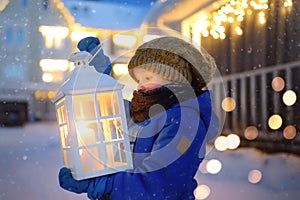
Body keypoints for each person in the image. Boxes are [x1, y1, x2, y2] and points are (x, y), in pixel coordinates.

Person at [58, 36, 220, 199]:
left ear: (174, 78)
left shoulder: (183, 122)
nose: (140, 85)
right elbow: (107, 113)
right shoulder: (142, 113)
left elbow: (160, 183)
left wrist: (103, 185)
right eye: (138, 79)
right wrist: (95, 80)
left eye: (147, 78)